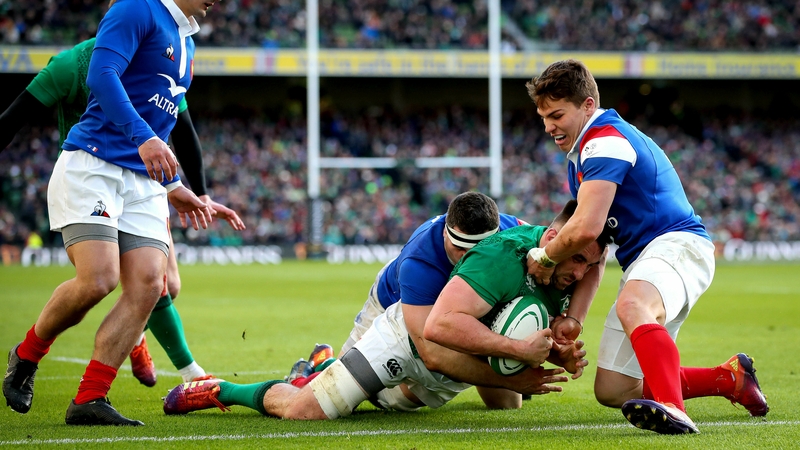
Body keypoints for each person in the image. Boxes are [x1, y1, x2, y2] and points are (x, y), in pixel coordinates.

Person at [160, 199, 604, 419]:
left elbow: (584, 264)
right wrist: (520, 362)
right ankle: (223, 388)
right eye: (459, 250)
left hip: (456, 320)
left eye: (478, 250)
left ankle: (329, 368)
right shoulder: (422, 263)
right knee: (314, 407)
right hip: (398, 316)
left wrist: (554, 340)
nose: (464, 260)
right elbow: (430, 347)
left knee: (505, 404)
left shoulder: (520, 240)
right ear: (447, 235)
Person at [3, 0, 221, 426]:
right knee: (99, 280)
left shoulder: (187, 42)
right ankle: (26, 356)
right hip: (94, 164)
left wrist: (180, 188)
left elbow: (171, 126)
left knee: (151, 286)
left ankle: (90, 398)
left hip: (144, 183)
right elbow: (101, 77)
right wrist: (142, 137)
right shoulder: (136, 8)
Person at [524, 59, 769, 434]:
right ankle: (729, 379)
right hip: (645, 258)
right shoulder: (584, 156)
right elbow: (598, 249)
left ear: (587, 105)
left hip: (677, 243)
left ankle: (673, 408)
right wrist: (573, 318)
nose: (548, 127)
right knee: (613, 387)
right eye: (543, 117)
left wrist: (544, 256)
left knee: (633, 305)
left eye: (556, 115)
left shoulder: (604, 139)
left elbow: (587, 228)